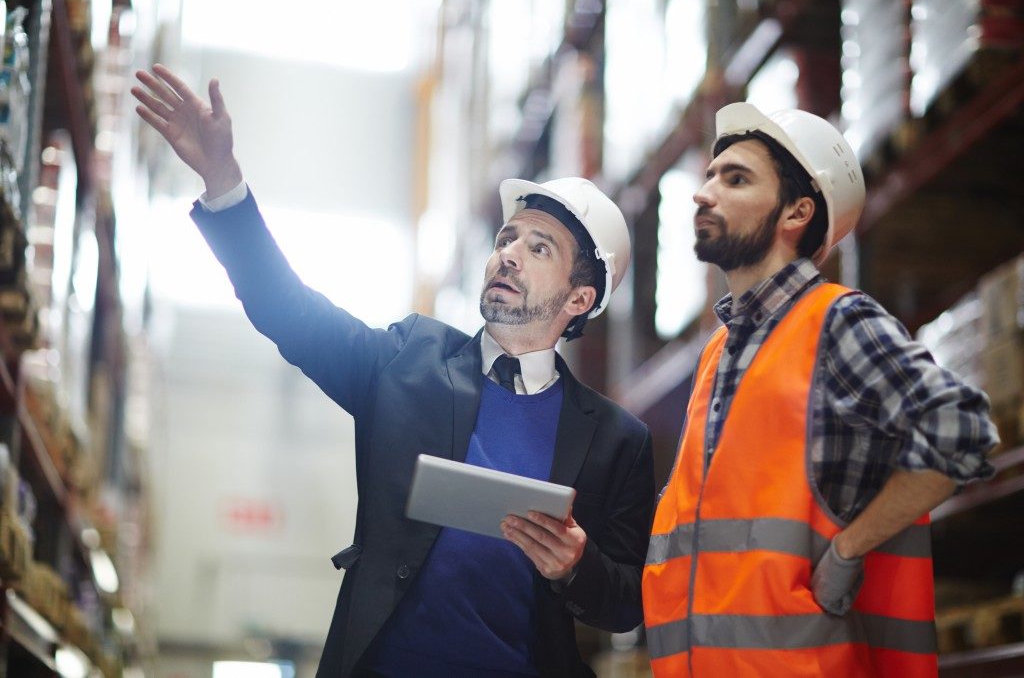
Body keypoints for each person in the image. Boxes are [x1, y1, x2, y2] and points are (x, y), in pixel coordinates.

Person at [132, 65, 655, 678]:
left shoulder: (617, 440)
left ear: (579, 300)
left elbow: (628, 602)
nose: (507, 253)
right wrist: (222, 180)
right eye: (507, 238)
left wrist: (575, 564)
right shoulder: (410, 360)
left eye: (539, 248)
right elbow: (289, 311)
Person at [642, 102, 998, 677]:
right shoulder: (718, 353)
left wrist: (848, 551)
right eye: (709, 176)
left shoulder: (836, 323)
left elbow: (961, 432)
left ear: (796, 213)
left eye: (735, 178)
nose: (704, 193)